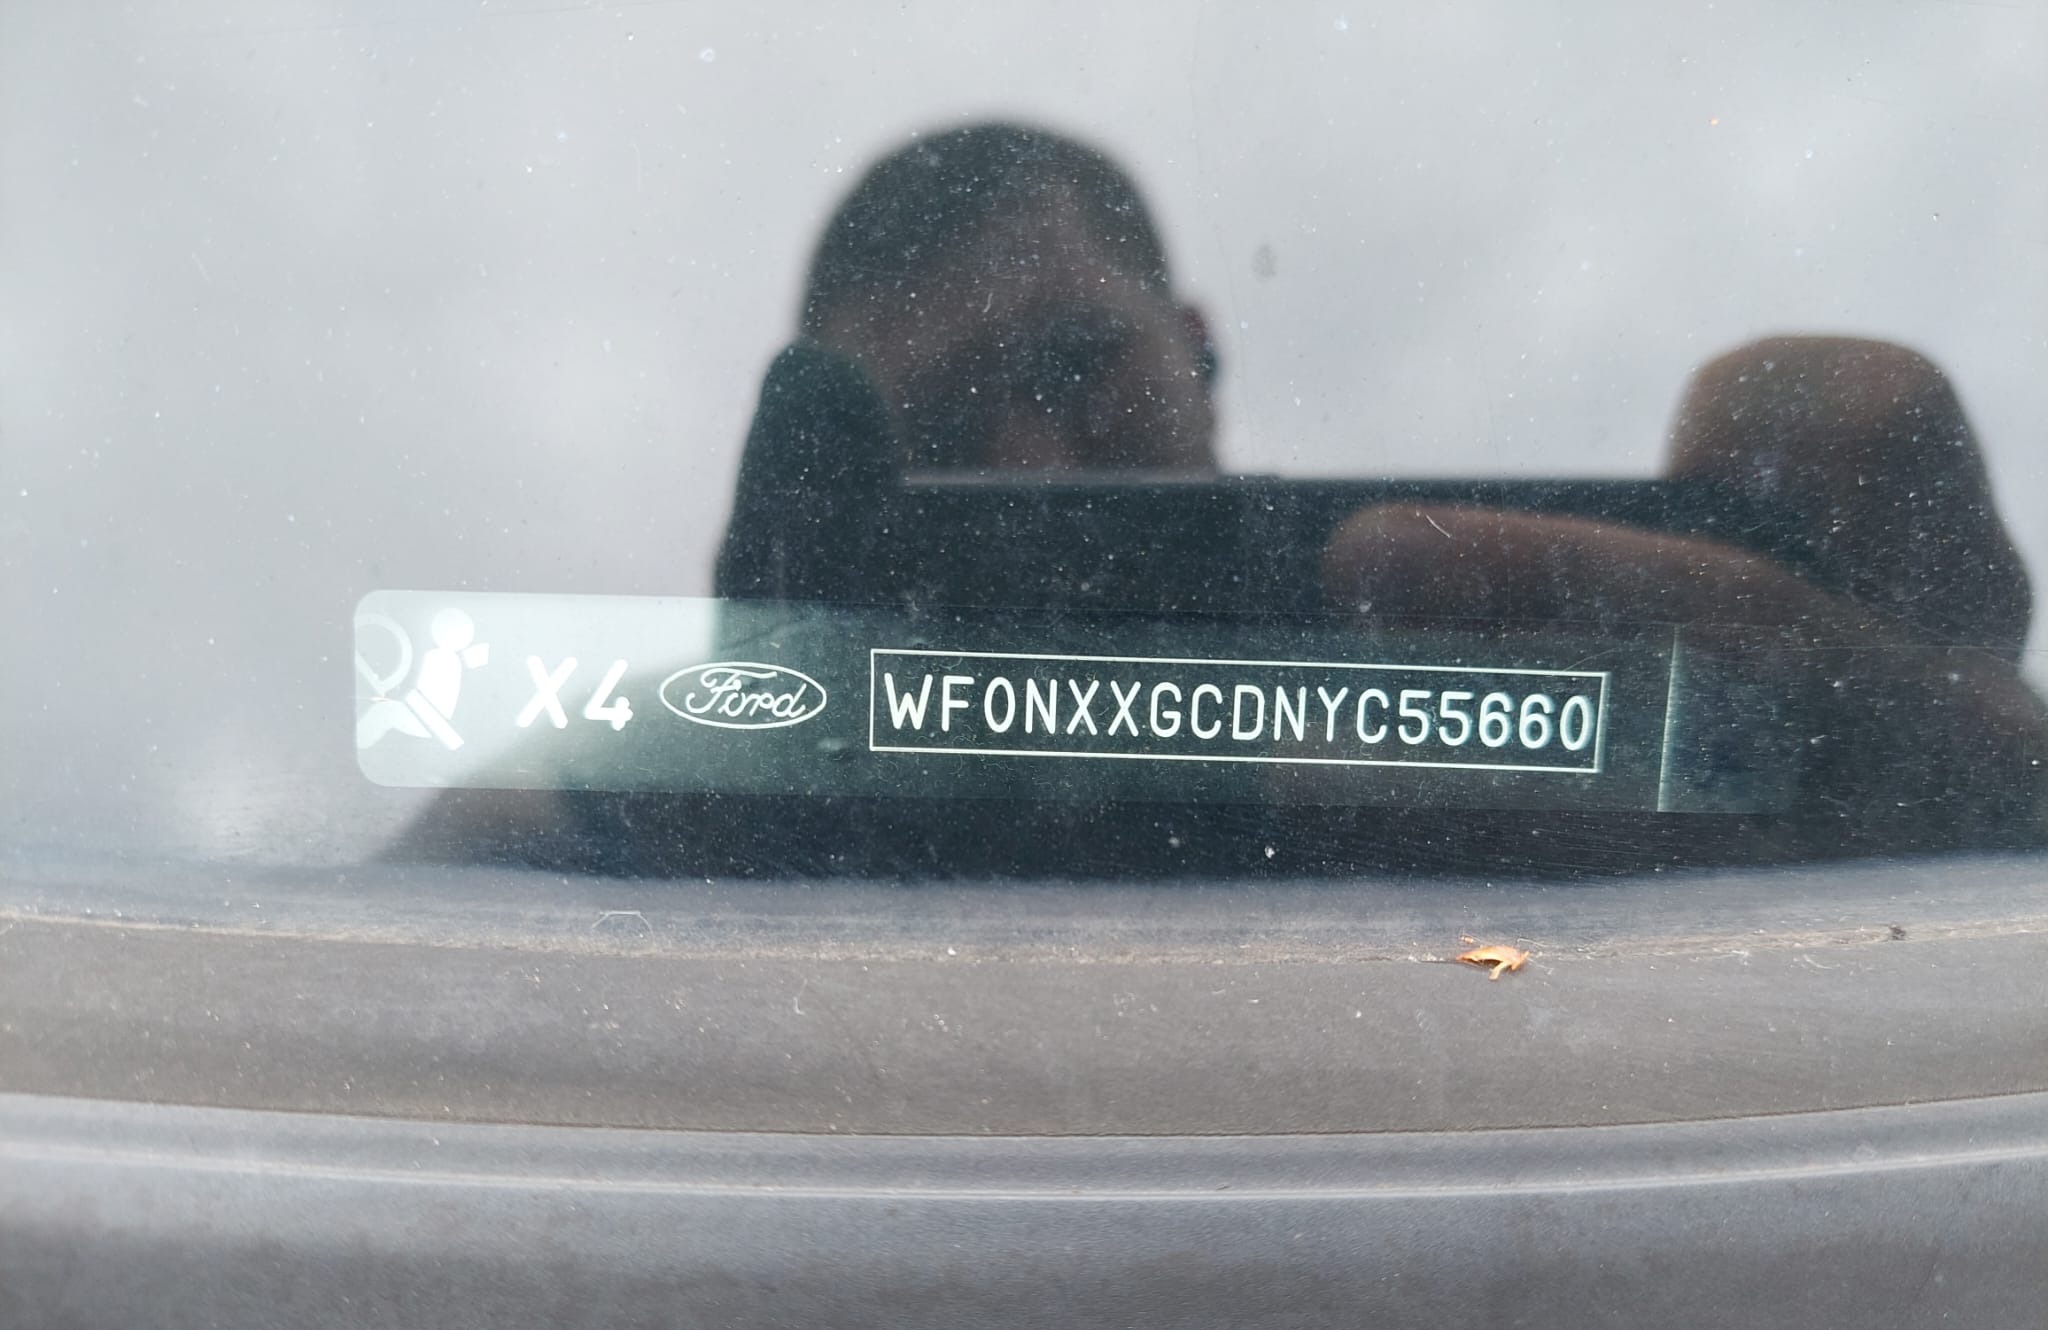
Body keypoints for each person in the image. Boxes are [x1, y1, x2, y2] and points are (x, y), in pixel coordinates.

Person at [398, 121, 2045, 873]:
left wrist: (1956, 778)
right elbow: (406, 934)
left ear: (1194, 345)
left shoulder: (1529, 624)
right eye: (936, 441)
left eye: (1075, 366)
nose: (1034, 465)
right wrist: (692, 807)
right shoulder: (689, 766)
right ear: (821, 487)